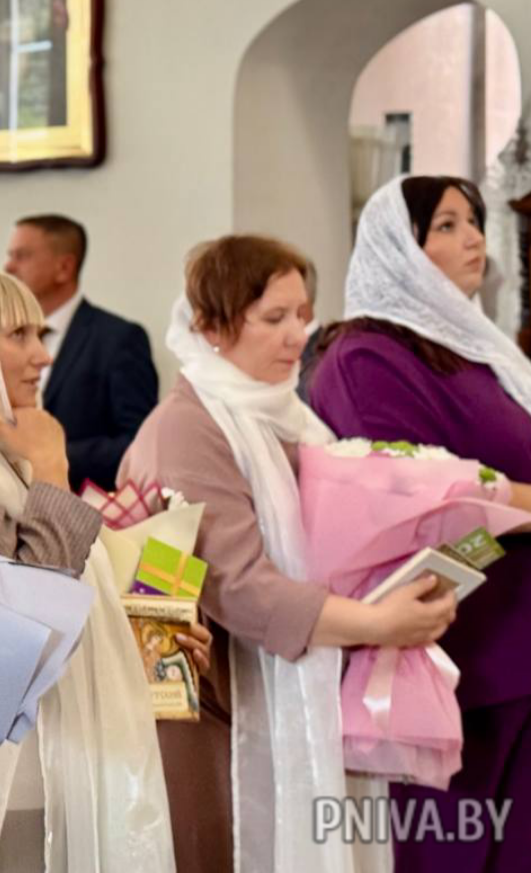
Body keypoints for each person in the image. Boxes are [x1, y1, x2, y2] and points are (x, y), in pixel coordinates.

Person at [119, 234, 459, 873]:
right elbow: (242, 587)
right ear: (210, 326)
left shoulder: (290, 417)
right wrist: (377, 622)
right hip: (217, 705)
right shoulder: (187, 426)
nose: (298, 334)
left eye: (303, 314)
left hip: (293, 684)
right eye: (274, 317)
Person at [0, 263, 206, 872]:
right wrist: (51, 468)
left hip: (53, 752)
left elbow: (73, 583)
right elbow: (22, 615)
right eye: (18, 335)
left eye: (40, 334)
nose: (42, 356)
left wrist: (148, 641)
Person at [309, 176, 531, 872]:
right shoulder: (365, 356)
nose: (473, 238)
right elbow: (409, 504)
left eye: (473, 221)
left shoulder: (477, 351)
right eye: (446, 225)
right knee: (454, 850)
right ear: (398, 247)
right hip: (460, 646)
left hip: (522, 636)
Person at [4, 214, 157, 491]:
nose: (8, 267)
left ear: (64, 267)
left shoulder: (119, 339)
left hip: (85, 503)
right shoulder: (1, 338)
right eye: (10, 255)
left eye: (22, 256)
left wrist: (49, 454)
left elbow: (140, 442)